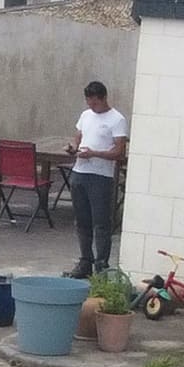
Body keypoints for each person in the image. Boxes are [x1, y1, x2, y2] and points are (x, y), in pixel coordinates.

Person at [67, 81, 128, 277]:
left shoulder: (117, 119)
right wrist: (73, 146)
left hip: (100, 176)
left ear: (103, 98)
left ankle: (102, 264)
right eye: (89, 102)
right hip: (80, 171)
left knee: (101, 222)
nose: (91, 106)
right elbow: (78, 135)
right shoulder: (86, 115)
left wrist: (94, 153)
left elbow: (119, 151)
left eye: (94, 103)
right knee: (82, 220)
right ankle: (85, 260)